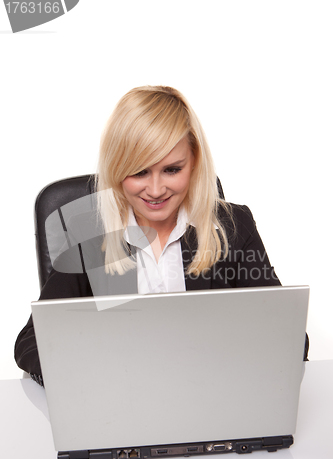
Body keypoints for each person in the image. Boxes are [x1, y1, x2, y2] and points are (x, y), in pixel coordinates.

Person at [14, 85, 309, 383]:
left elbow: (289, 334)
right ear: (116, 169)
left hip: (212, 390)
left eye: (171, 170)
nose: (155, 191)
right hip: (120, 397)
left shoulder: (234, 226)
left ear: (193, 162)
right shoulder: (88, 237)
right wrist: (91, 374)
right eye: (140, 172)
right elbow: (31, 342)